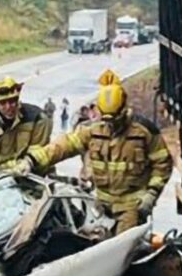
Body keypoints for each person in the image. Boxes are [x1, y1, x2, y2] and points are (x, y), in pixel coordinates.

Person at [17, 69, 172, 232]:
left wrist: (152, 194)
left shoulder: (144, 132)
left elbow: (163, 163)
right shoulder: (94, 131)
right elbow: (64, 145)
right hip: (100, 207)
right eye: (106, 119)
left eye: (115, 119)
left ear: (124, 109)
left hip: (131, 208)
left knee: (121, 251)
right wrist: (31, 160)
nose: (111, 125)